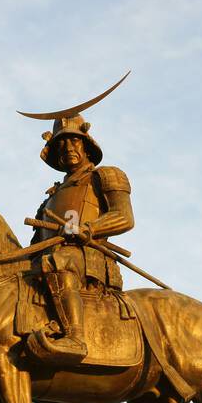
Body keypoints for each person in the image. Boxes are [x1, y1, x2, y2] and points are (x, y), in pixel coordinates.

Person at [28, 113, 134, 364]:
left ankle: (75, 338)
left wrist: (87, 229)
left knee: (59, 261)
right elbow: (36, 246)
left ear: (86, 144)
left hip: (89, 258)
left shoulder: (106, 176)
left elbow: (124, 217)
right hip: (51, 257)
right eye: (60, 144)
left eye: (73, 141)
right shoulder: (50, 198)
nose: (67, 148)